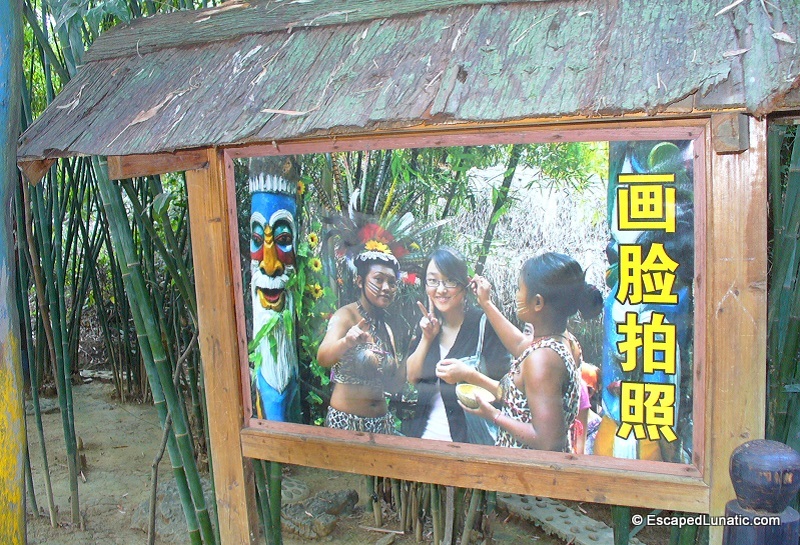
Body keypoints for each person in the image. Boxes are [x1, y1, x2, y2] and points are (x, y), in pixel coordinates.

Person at [437, 252, 603, 451]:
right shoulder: (562, 340)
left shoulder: (543, 359)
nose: (516, 295)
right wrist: (486, 303)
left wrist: (494, 415)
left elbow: (549, 441)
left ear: (538, 302)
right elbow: (518, 346)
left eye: (519, 289)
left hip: (529, 473)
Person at [405, 248, 510, 444]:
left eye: (450, 281)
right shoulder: (427, 324)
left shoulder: (484, 325)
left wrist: (468, 375)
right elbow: (411, 378)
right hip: (424, 442)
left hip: (471, 448)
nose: (441, 289)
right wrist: (427, 338)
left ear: (464, 285)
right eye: (433, 281)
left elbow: (507, 393)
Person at [317, 248, 405, 434]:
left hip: (381, 424)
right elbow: (322, 358)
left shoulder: (386, 329)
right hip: (346, 424)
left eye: (391, 282)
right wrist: (346, 342)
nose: (386, 287)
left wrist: (422, 342)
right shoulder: (346, 316)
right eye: (379, 279)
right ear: (359, 281)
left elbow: (393, 385)